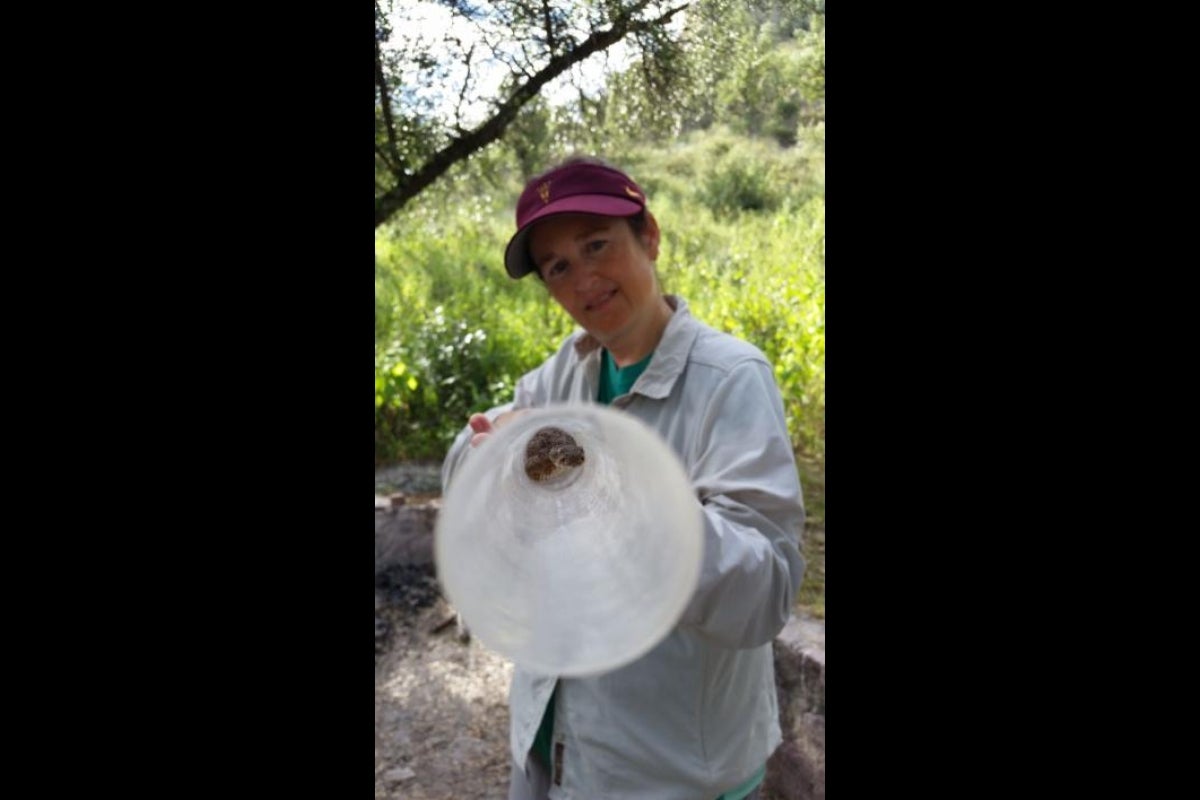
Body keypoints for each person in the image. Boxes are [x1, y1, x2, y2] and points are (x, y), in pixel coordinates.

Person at [441, 156, 805, 800]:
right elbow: (473, 459)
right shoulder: (563, 376)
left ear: (651, 236)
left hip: (674, 768)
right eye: (557, 266)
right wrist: (495, 456)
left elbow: (766, 594)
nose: (583, 279)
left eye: (597, 245)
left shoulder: (729, 380)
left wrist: (617, 490)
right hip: (553, 743)